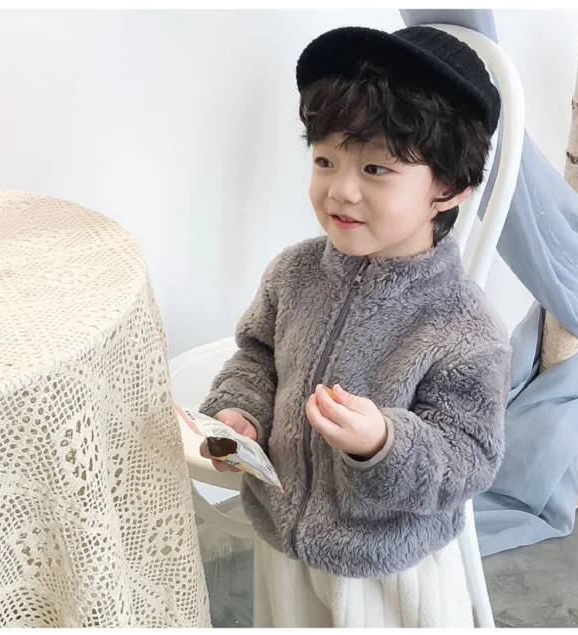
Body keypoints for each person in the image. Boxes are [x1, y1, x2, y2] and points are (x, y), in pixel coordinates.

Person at [198, 24, 512, 627]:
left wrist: (383, 444)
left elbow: (468, 457)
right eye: (325, 160)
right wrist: (241, 412)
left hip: (384, 568)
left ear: (448, 188)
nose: (340, 190)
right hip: (284, 539)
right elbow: (257, 356)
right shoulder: (293, 273)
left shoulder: (462, 326)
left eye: (375, 169)